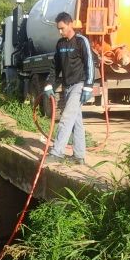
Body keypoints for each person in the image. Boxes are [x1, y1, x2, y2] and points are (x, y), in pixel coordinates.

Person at [43, 11, 94, 165]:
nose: (60, 31)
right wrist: (48, 83)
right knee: (76, 122)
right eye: (58, 29)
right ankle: (79, 156)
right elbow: (55, 67)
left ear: (70, 24)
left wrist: (88, 86)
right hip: (67, 86)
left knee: (66, 118)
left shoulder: (81, 41)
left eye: (62, 28)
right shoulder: (60, 44)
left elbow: (89, 64)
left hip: (79, 85)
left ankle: (57, 153)